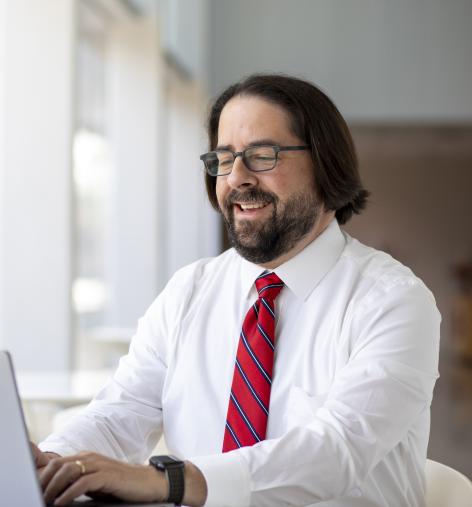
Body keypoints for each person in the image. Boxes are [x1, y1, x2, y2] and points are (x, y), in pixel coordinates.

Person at [33, 74, 440, 507]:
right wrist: (51, 464)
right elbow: (121, 413)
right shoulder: (189, 291)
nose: (237, 178)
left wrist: (171, 481)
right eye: (224, 159)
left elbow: (337, 451)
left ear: (325, 164)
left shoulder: (393, 302)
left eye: (262, 156)